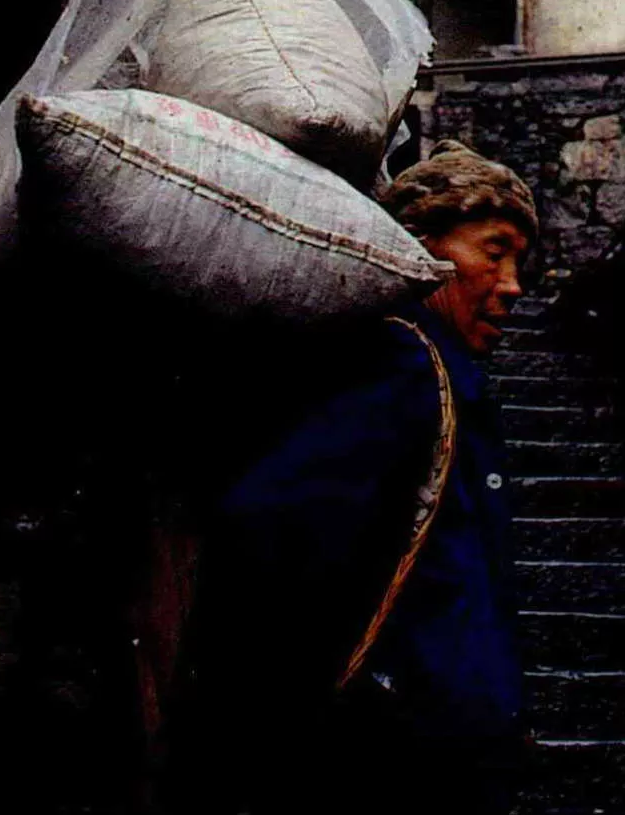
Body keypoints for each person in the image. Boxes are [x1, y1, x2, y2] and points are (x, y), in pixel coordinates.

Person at [168, 140, 538, 815]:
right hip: (393, 758)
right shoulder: (402, 366)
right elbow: (276, 533)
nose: (512, 285)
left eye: (519, 261)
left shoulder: (443, 378)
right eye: (494, 251)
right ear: (424, 249)